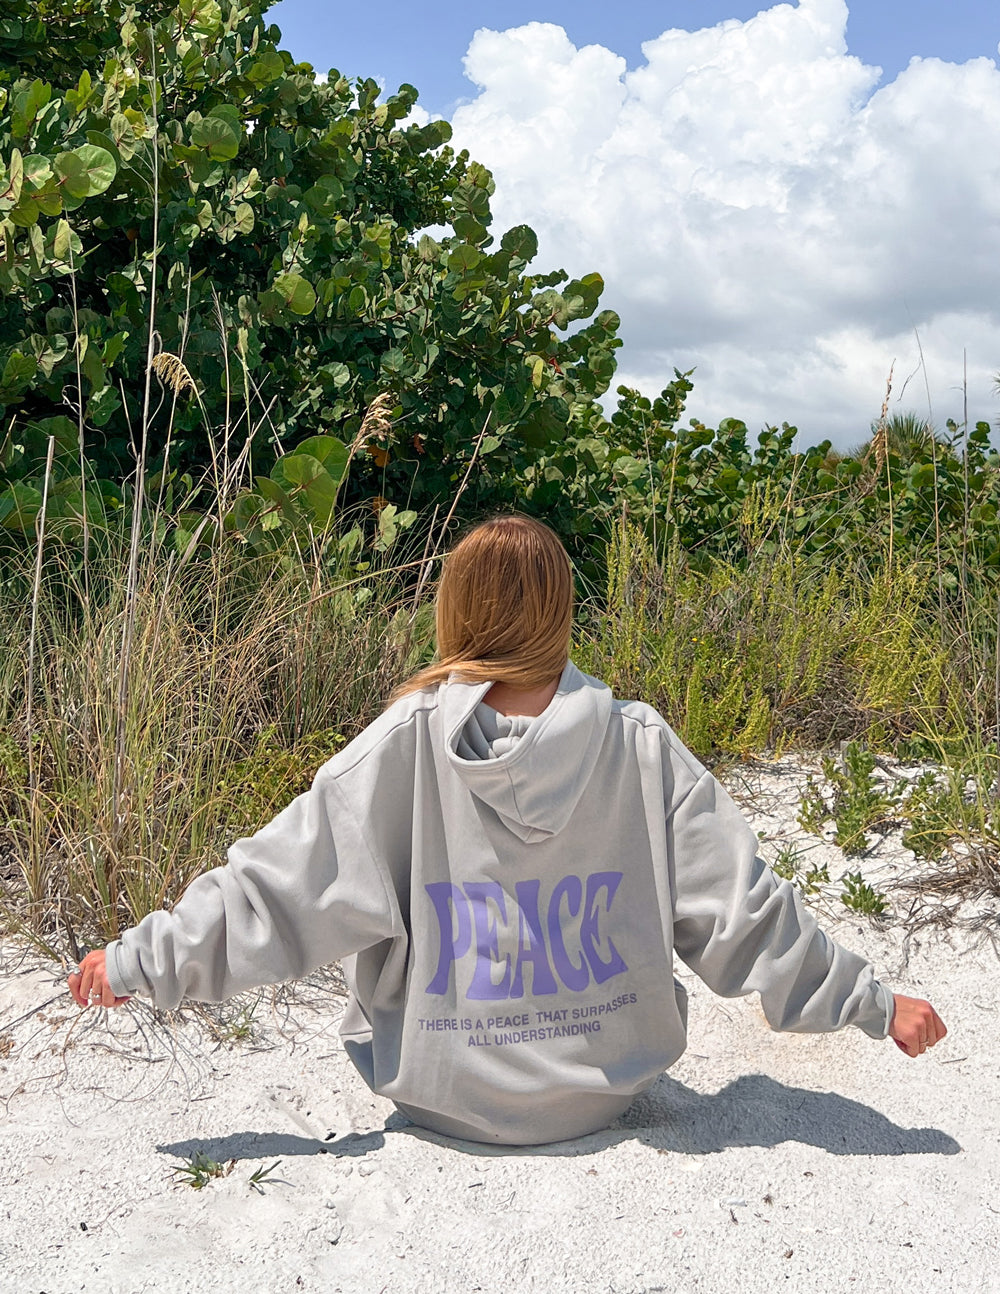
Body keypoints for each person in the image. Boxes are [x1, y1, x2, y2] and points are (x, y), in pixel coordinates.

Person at [68, 514, 946, 1146]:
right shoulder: (638, 744)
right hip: (604, 1094)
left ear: (454, 610)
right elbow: (745, 913)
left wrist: (139, 961)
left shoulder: (403, 744)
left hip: (446, 1095)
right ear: (563, 610)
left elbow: (276, 893)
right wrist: (876, 1004)